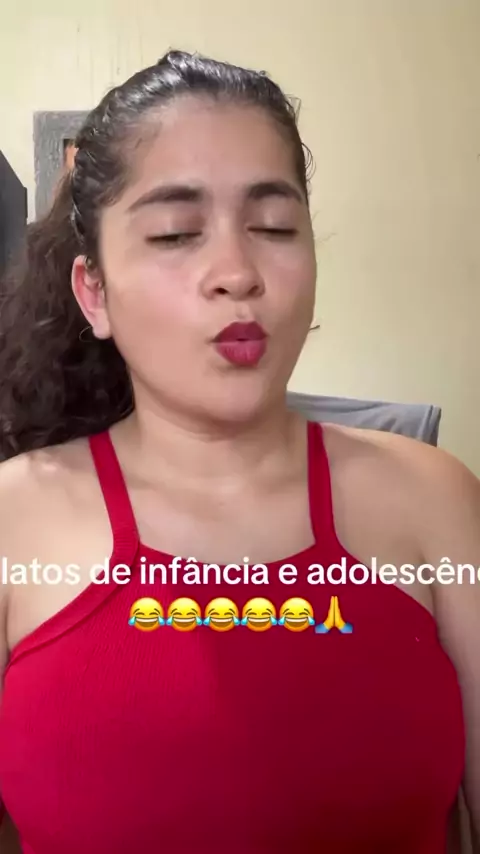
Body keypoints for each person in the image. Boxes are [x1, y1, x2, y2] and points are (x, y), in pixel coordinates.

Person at [0, 50, 478, 854]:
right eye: (175, 234)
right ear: (95, 293)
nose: (237, 272)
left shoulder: (435, 500)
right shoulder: (14, 519)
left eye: (274, 228)